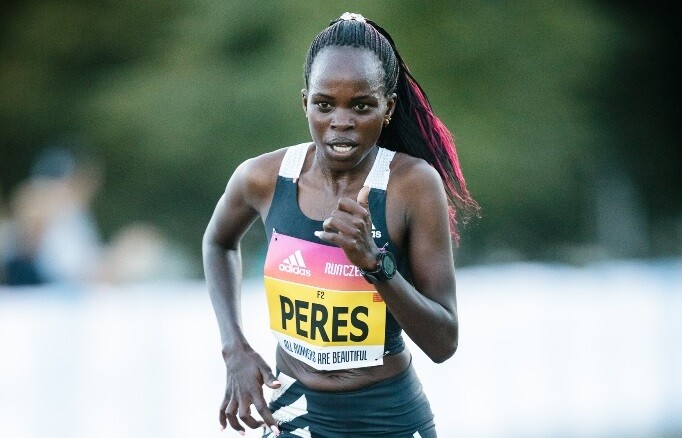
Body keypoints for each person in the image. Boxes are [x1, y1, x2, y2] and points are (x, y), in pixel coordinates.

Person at [203, 12, 478, 437]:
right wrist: (234, 348)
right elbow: (218, 243)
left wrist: (375, 264)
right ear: (305, 103)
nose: (341, 122)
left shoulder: (412, 186)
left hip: (386, 417)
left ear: (388, 108)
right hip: (293, 412)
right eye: (324, 104)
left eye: (362, 106)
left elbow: (444, 343)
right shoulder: (262, 177)